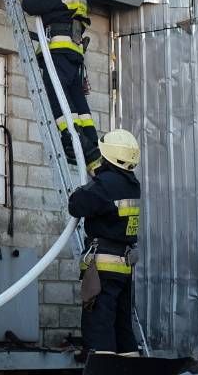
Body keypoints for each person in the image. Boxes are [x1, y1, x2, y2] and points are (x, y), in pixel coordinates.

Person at [20, 0, 100, 172]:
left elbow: (30, 3)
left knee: (57, 98)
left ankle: (72, 142)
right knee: (78, 104)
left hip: (58, 53)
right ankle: (92, 150)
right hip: (73, 56)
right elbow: (57, 4)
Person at [68, 128, 141, 357]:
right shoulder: (132, 185)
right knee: (122, 328)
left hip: (102, 271)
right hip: (124, 268)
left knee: (98, 328)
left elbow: (76, 205)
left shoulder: (104, 184)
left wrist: (90, 183)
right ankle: (130, 367)